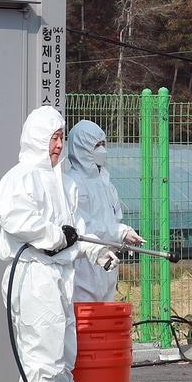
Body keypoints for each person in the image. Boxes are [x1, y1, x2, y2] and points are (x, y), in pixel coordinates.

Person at [0, 106, 115, 382]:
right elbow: (14, 216)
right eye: (53, 138)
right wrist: (53, 235)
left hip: (60, 274)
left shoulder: (64, 182)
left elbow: (78, 229)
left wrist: (94, 250)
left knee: (63, 349)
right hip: (32, 273)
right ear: (36, 139)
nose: (58, 145)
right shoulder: (20, 177)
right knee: (41, 350)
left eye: (61, 137)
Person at [63, 120, 143, 303]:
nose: (101, 150)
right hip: (83, 266)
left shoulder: (106, 182)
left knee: (105, 318)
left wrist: (122, 234)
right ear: (82, 149)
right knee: (85, 318)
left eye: (103, 144)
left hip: (108, 263)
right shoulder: (72, 183)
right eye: (96, 145)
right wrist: (119, 232)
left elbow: (115, 218)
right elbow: (82, 228)